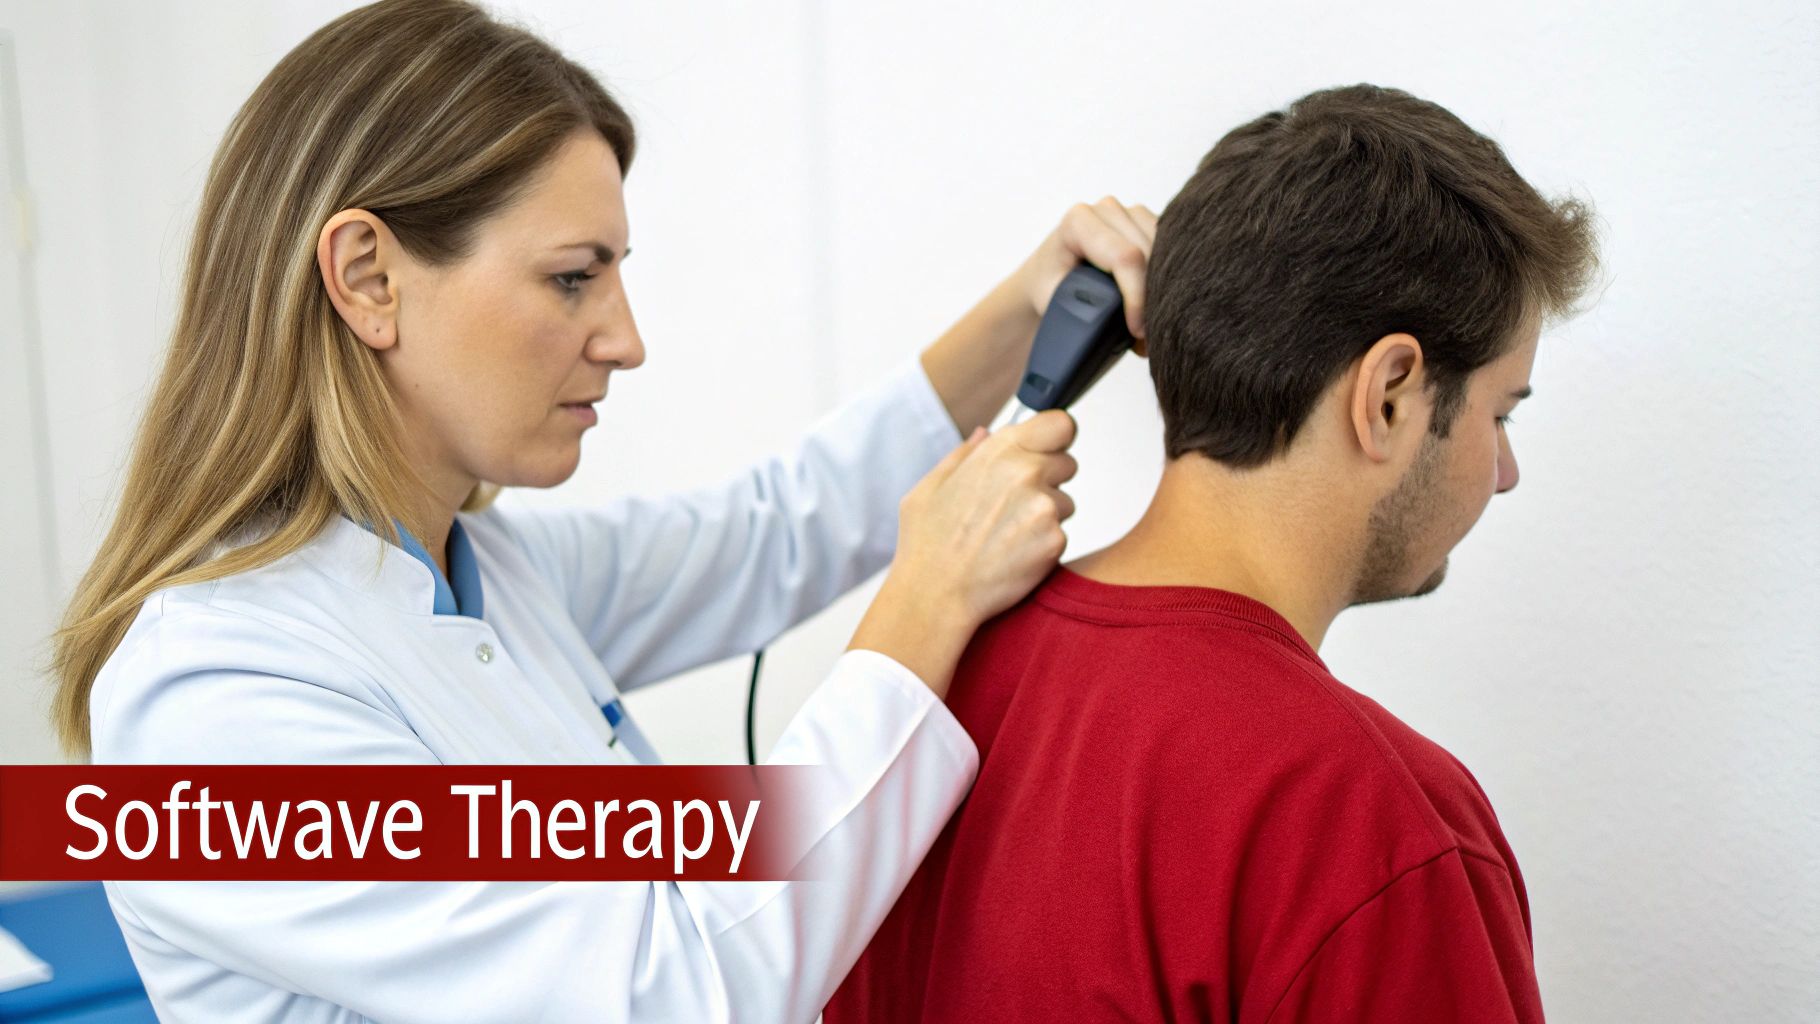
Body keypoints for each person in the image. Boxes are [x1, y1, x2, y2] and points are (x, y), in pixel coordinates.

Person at [45, 1, 1160, 1020]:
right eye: (573, 277)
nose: (625, 340)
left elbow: (773, 530)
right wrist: (927, 602)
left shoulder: (480, 571)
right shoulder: (218, 700)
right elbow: (669, 994)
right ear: (369, 278)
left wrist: (1027, 313)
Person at [828, 84, 1599, 1023]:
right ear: (1390, 394)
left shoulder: (907, 706)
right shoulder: (1375, 825)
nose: (1505, 472)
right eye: (1500, 414)